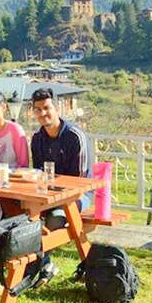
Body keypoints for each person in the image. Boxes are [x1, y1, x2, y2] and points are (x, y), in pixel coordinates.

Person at [29, 87, 94, 287]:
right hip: (48, 194)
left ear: (57, 108)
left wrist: (56, 197)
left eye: (46, 108)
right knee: (20, 214)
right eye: (38, 109)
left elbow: (82, 182)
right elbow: (38, 174)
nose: (42, 113)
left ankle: (31, 268)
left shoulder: (75, 136)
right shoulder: (37, 138)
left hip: (79, 195)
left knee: (56, 216)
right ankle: (43, 265)